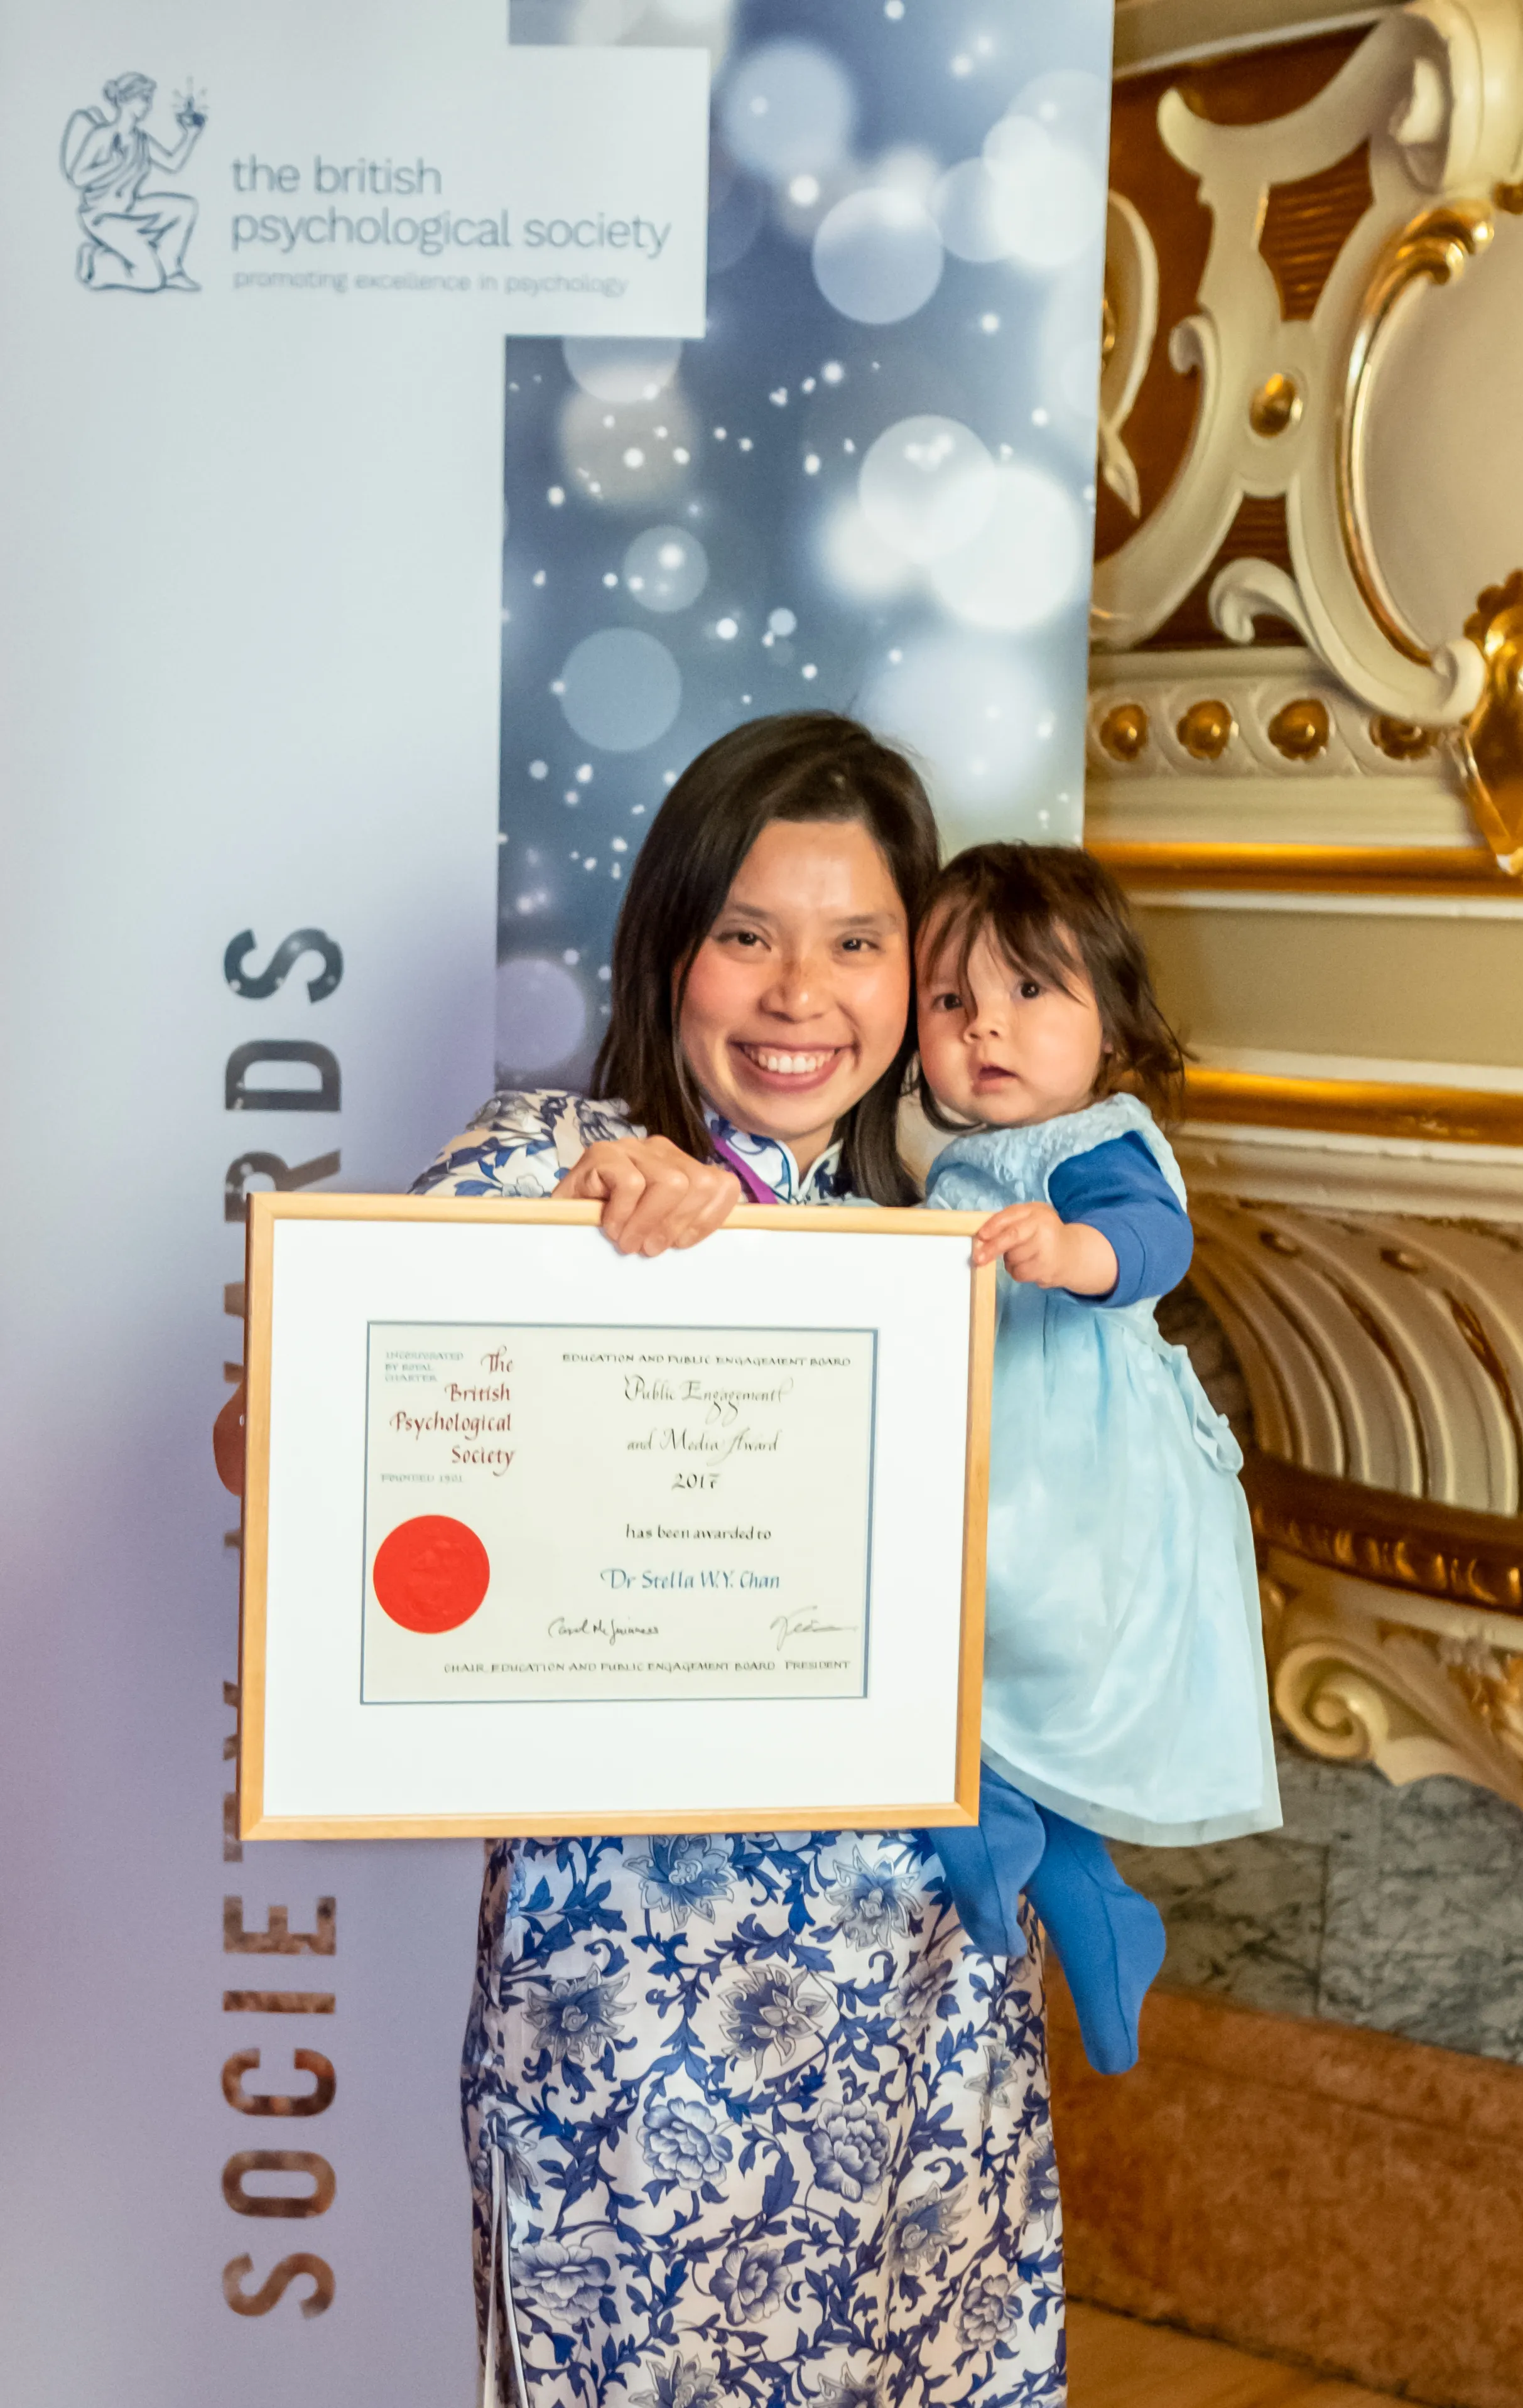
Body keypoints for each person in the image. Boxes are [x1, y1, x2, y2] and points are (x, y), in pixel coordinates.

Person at [222, 716, 1065, 2407]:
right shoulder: (554, 1160)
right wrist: (557, 1252)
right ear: (670, 948)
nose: (799, 993)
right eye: (747, 933)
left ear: (912, 976)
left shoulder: (940, 1242)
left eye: (856, 942)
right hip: (628, 2012)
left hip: (924, 1977)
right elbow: (267, 1443)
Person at [914, 843, 1281, 2075]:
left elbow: (1153, 1237)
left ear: (1112, 1022)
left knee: (992, 1659)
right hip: (996, 1451)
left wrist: (1075, 1254)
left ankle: (1003, 1843)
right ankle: (1091, 1905)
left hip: (1078, 1472)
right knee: (984, 1684)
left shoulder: (1092, 1144)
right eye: (950, 1000)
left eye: (1028, 991)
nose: (984, 1027)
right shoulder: (955, 1162)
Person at [62, 73, 203, 293]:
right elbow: (77, 177)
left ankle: (172, 270)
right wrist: (111, 165)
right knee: (151, 280)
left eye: (149, 100)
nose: (148, 106)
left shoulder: (141, 139)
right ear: (125, 100)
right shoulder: (103, 136)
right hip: (102, 216)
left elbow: (172, 164)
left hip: (129, 210)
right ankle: (96, 265)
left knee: (185, 208)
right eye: (144, 99)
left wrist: (191, 135)